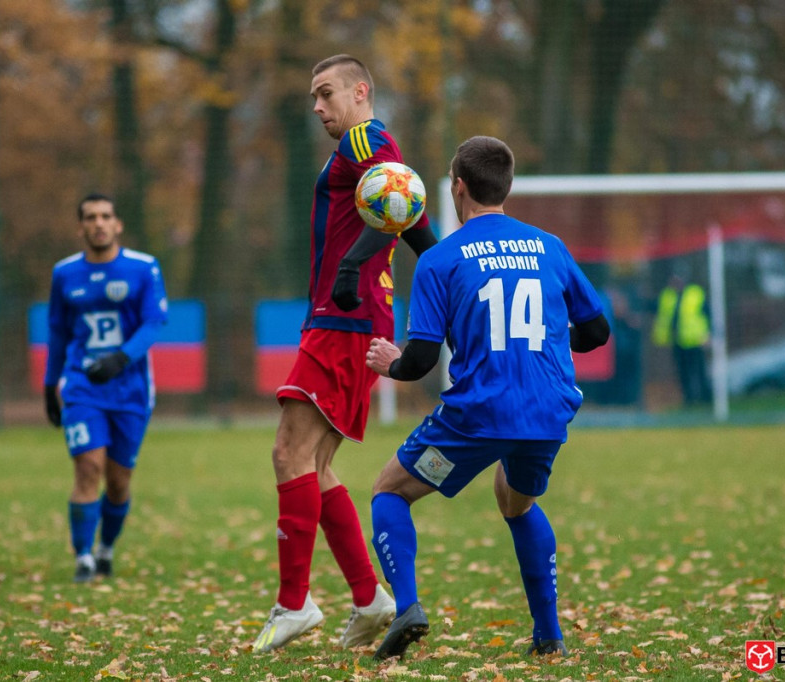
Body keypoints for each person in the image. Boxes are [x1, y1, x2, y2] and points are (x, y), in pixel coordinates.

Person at [364, 136, 610, 660]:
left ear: (457, 186)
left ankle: (407, 606)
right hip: (547, 409)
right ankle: (549, 637)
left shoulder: (440, 259)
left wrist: (391, 364)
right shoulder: (549, 245)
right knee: (516, 500)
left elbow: (422, 359)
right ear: (508, 186)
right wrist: (545, 339)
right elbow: (596, 332)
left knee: (389, 491)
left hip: (479, 414)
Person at [252, 54, 438, 653]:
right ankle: (368, 597)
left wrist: (353, 266)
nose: (317, 107)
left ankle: (294, 603)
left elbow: (399, 200)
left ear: (361, 92)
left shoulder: (365, 137)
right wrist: (442, 269)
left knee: (288, 451)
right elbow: (408, 213)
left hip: (344, 318)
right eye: (314, 96)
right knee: (316, 465)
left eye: (326, 93)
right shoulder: (374, 147)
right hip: (353, 318)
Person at [44, 193, 169, 583]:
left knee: (117, 482)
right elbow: (57, 333)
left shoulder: (143, 268)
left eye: (105, 216)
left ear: (118, 225)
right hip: (82, 388)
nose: (98, 223)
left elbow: (153, 323)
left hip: (130, 389)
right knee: (88, 468)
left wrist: (121, 358)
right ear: (80, 227)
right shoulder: (64, 273)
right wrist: (51, 384)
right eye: (90, 217)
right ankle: (82, 558)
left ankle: (105, 549)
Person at [651, 273, 711, 405]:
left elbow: (707, 313)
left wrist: (708, 334)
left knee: (699, 371)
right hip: (677, 341)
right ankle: (689, 399)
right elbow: (660, 313)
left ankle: (706, 398)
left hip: (695, 341)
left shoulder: (695, 293)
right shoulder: (667, 296)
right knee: (683, 373)